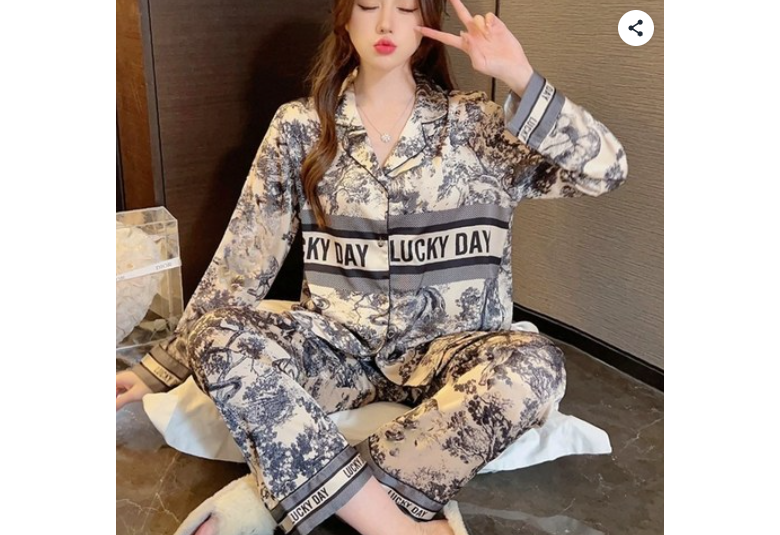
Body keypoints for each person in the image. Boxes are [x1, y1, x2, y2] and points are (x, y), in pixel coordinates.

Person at [116, 0, 628, 534]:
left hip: (453, 354)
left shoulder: (479, 126)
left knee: (536, 366)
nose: (386, 23)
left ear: (426, 23)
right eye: (368, 4)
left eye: (405, 7)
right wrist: (158, 369)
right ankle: (396, 525)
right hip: (336, 352)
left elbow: (607, 170)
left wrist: (518, 73)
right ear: (345, 17)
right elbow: (244, 259)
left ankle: (266, 501)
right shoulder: (300, 127)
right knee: (218, 337)